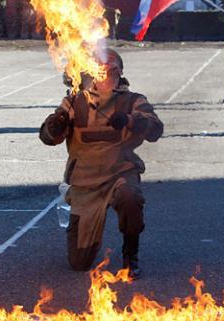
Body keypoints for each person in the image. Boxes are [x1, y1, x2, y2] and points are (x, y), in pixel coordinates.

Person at [39, 49, 164, 278]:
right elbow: (48, 138)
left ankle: (130, 257)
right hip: (85, 182)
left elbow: (155, 129)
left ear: (119, 73)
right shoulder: (75, 100)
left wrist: (129, 120)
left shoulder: (133, 100)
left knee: (130, 197)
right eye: (99, 71)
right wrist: (56, 124)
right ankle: (84, 239)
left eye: (108, 71)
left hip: (119, 173)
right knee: (79, 263)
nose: (102, 76)